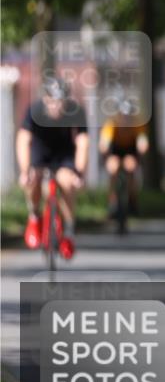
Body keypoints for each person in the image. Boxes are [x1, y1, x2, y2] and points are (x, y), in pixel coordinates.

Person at [16, 76, 89, 259]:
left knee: (68, 183)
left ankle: (69, 231)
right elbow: (23, 140)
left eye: (61, 101)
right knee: (33, 180)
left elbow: (82, 142)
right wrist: (25, 171)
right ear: (46, 99)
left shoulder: (76, 111)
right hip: (40, 155)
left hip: (64, 155)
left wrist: (79, 173)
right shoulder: (35, 111)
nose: (57, 105)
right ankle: (34, 216)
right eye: (53, 101)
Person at [99, 99, 149, 222]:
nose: (126, 118)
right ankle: (112, 201)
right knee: (113, 168)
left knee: (130, 166)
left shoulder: (138, 123)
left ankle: (133, 200)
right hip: (115, 150)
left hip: (130, 150)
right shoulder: (111, 123)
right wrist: (106, 155)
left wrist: (141, 149)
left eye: (128, 115)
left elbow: (143, 142)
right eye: (123, 115)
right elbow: (104, 143)